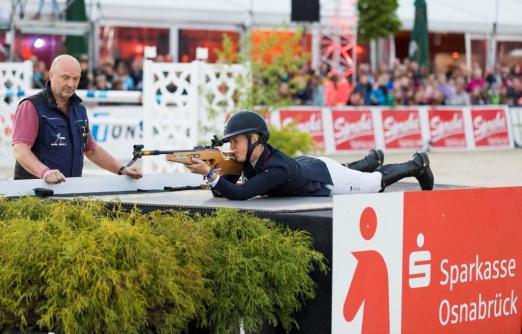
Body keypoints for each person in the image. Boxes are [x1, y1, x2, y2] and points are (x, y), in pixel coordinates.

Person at [185, 111, 434, 200]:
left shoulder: (276, 168)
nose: (232, 147)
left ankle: (417, 164)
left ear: (254, 139)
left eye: (236, 141)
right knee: (348, 169)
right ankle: (369, 160)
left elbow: (240, 194)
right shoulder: (249, 158)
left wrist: (209, 174)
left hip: (324, 178)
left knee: (375, 184)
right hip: (310, 166)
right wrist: (216, 169)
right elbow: (222, 191)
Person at [11, 54, 142, 184]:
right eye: (65, 77)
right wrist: (45, 172)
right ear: (51, 75)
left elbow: (91, 149)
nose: (71, 84)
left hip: (70, 193)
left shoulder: (79, 110)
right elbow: (20, 149)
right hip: (34, 196)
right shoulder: (31, 106)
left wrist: (122, 170)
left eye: (76, 79)